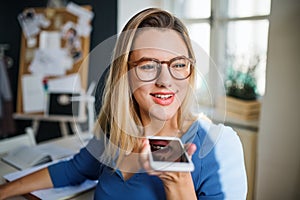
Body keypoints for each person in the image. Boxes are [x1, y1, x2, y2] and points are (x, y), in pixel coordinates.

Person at [0, 8, 247, 199]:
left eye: (179, 64)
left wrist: (178, 185)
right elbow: (73, 170)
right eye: (148, 65)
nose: (165, 80)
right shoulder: (115, 131)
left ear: (190, 72)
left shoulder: (219, 145)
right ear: (124, 74)